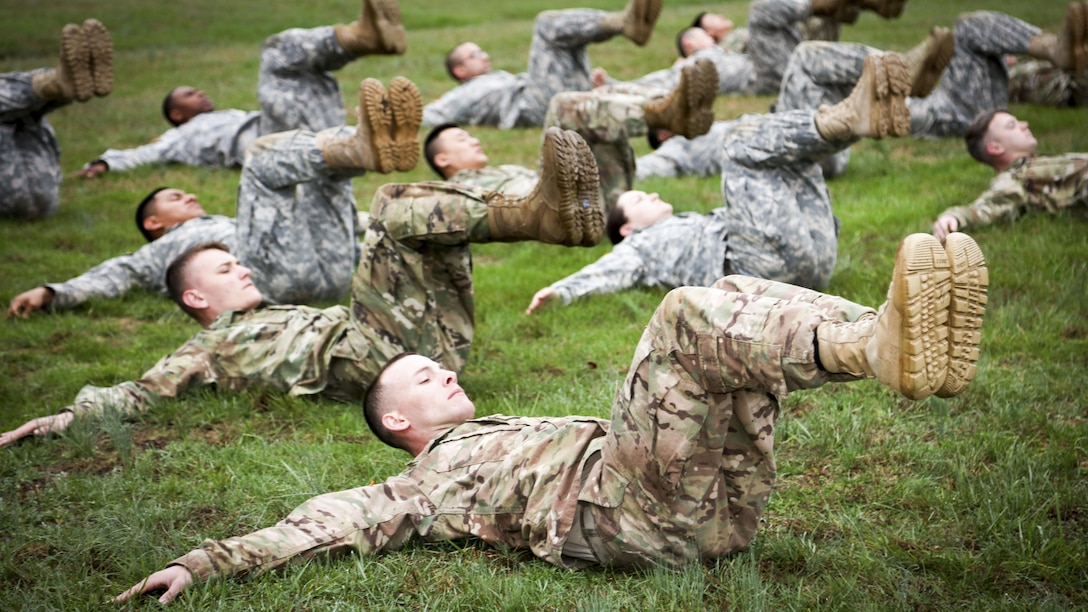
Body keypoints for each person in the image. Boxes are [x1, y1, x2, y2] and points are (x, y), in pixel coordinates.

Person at [113, 231, 988, 604]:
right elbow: (329, 522)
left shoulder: (496, 431)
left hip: (720, 506)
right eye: (423, 374)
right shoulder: (423, 481)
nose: (444, 369)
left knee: (731, 297)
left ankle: (885, 335)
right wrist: (202, 564)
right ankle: (874, 347)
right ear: (395, 424)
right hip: (634, 518)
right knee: (686, 315)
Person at [0, 127, 604, 449]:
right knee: (393, 204)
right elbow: (135, 395)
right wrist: (58, 419)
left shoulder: (281, 309)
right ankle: (537, 216)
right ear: (195, 300)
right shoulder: (206, 347)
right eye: (224, 270)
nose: (241, 269)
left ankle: (539, 208)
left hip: (427, 352)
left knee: (425, 228)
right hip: (372, 359)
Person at [528, 52, 918, 314]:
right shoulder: (639, 248)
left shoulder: (684, 223)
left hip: (813, 254)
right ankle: (848, 119)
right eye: (640, 199)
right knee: (736, 146)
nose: (652, 194)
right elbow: (604, 272)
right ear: (627, 229)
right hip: (757, 270)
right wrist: (559, 290)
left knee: (783, 152)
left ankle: (856, 116)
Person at [7, 77, 422, 317]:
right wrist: (52, 292)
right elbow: (113, 275)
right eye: (173, 196)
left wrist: (388, 233)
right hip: (270, 283)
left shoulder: (227, 224)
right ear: (154, 224)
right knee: (259, 161)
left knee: (320, 177)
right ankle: (357, 144)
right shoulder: (164, 251)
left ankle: (362, 146)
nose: (187, 193)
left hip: (330, 274)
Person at [77, 0, 406, 178]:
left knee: (311, 73)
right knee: (276, 53)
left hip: (293, 134)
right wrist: (105, 164)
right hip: (270, 142)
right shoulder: (177, 137)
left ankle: (370, 137)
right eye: (189, 94)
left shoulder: (225, 115)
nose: (201, 93)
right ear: (176, 114)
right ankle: (356, 39)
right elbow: (145, 153)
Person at [775, 5, 1088, 177]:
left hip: (941, 99)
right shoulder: (804, 128)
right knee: (805, 60)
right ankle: (897, 71)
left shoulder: (795, 106)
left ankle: (1055, 48)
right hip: (944, 114)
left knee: (968, 26)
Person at [425, 59, 717, 210]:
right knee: (562, 105)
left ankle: (675, 108)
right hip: (562, 207)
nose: (474, 139)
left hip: (600, 197)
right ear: (442, 159)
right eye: (461, 140)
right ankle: (666, 114)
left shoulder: (500, 172)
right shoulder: (458, 191)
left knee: (599, 99)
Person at [420, 0, 662, 129]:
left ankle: (663, 99)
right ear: (459, 70)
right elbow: (429, 116)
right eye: (474, 55)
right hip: (534, 109)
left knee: (570, 41)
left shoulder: (499, 77)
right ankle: (622, 23)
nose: (484, 56)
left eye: (482, 51)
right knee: (546, 26)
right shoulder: (460, 94)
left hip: (547, 97)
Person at [598, 0, 907, 97]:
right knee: (761, 11)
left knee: (789, 19)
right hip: (765, 77)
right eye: (703, 31)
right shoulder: (692, 65)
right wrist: (612, 86)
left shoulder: (721, 52)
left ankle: (858, 6)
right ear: (691, 44)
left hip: (772, 65)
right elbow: (655, 84)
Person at [1, 19, 112, 219]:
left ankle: (55, 86)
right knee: (22, 110)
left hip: (29, 196)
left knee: (19, 113)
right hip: (39, 194)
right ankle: (52, 85)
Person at [932, 108, 1087, 241]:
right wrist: (954, 217)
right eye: (1012, 125)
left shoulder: (1034, 162)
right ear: (996, 148)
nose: (1024, 124)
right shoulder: (1014, 177)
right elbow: (990, 206)